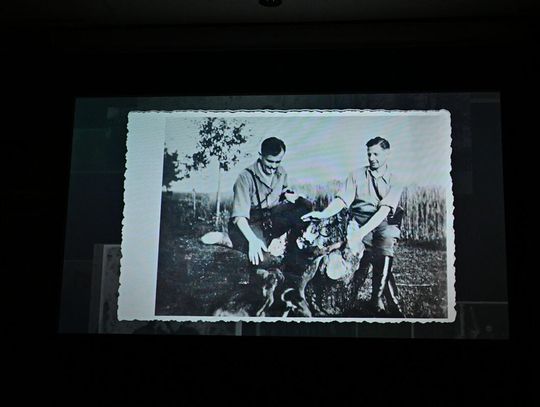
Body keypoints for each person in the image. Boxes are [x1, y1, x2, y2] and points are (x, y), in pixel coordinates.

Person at [301, 136, 405, 317]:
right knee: (371, 252)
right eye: (369, 154)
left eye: (376, 154)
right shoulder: (356, 175)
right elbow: (342, 200)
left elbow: (383, 212)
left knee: (385, 243)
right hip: (359, 222)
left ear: (387, 154)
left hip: (384, 221)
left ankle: (377, 299)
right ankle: (390, 302)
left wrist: (360, 234)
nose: (372, 158)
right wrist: (323, 214)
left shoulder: (395, 180)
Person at [228, 137, 312, 267]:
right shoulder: (245, 177)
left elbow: (282, 191)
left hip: (271, 217)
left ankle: (290, 244)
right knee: (262, 258)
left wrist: (287, 195)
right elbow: (239, 217)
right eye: (269, 161)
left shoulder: (281, 172)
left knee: (305, 205)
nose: (273, 166)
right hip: (251, 222)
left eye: (278, 161)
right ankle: (231, 240)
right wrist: (253, 240)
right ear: (260, 155)